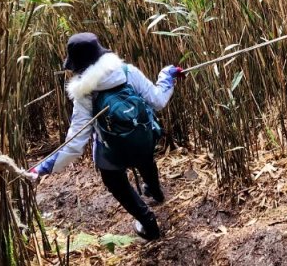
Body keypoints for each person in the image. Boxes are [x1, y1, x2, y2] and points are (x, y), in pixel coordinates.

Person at [29, 32, 183, 240]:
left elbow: (74, 144)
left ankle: (149, 224)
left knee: (114, 181)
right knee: (143, 152)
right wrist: (167, 75)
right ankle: (156, 192)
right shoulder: (128, 72)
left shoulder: (85, 94)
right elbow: (158, 100)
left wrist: (43, 167)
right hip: (143, 141)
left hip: (112, 152)